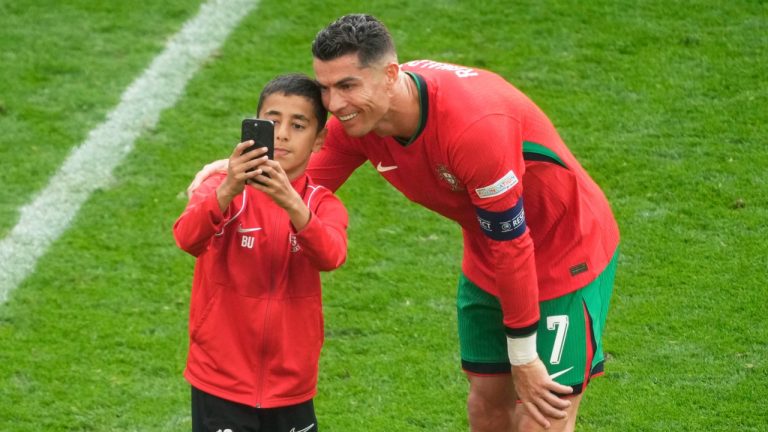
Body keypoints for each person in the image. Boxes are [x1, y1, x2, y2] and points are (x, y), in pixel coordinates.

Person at [188, 14, 620, 432]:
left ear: (390, 74)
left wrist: (524, 356)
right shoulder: (359, 121)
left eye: (347, 86)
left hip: (566, 252)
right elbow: (298, 184)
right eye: (326, 88)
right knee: (487, 405)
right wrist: (227, 176)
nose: (334, 105)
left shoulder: (475, 130)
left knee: (541, 417)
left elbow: (513, 243)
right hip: (490, 255)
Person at [174, 73, 348, 432]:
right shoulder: (219, 187)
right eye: (272, 121)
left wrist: (291, 203)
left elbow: (331, 256)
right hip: (220, 380)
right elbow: (187, 238)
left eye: (298, 125)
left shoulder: (322, 204)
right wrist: (226, 190)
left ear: (318, 141)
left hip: (291, 385)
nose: (282, 133)